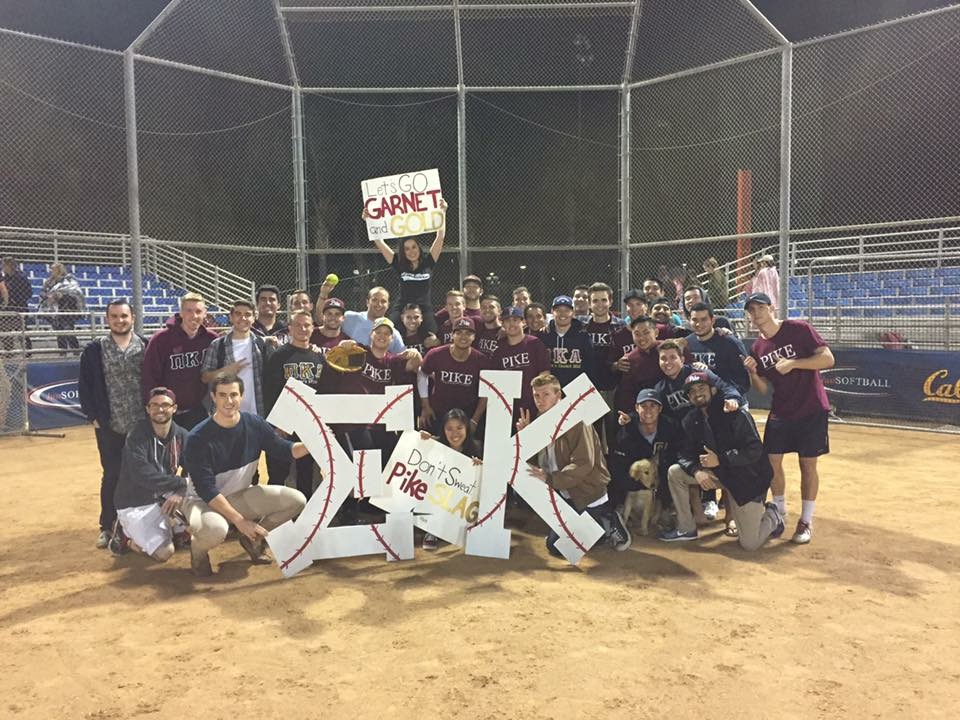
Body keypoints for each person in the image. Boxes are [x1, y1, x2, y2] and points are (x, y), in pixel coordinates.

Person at [181, 373, 309, 577]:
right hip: (202, 501)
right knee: (215, 530)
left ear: (242, 396)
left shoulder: (254, 424)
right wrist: (240, 521)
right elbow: (207, 490)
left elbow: (285, 449)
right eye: (222, 395)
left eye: (233, 395)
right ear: (213, 397)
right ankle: (198, 551)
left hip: (239, 496)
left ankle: (253, 540)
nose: (229, 401)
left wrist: (314, 442)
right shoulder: (198, 437)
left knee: (296, 500)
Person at [743, 292, 834, 544]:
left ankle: (806, 520)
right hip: (781, 410)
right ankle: (780, 512)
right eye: (751, 310)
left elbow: (828, 359)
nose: (756, 313)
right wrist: (753, 373)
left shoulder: (798, 329)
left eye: (760, 307)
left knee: (807, 466)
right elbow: (762, 389)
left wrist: (794, 363)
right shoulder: (757, 347)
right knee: (771, 462)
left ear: (772, 308)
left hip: (811, 408)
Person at [658, 372, 785, 548]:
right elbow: (683, 455)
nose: (697, 393)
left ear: (713, 390)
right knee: (675, 473)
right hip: (719, 474)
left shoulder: (734, 414)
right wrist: (697, 471)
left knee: (750, 544)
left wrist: (721, 459)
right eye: (692, 391)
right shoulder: (691, 419)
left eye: (701, 388)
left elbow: (755, 450)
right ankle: (686, 528)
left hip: (746, 479)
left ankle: (773, 514)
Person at [521, 373, 631, 556]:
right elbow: (538, 464)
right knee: (555, 545)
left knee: (560, 547)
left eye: (546, 394)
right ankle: (596, 529)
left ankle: (608, 520)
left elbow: (583, 463)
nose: (540, 400)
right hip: (566, 493)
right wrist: (527, 439)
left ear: (559, 396)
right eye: (536, 395)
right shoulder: (542, 422)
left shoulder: (576, 422)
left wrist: (550, 478)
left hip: (588, 494)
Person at [79, 299, 147, 549]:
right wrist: (94, 417)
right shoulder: (94, 350)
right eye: (115, 317)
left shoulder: (145, 346)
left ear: (133, 318)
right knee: (112, 475)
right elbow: (84, 386)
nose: (120, 321)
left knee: (142, 474)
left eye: (124, 316)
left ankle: (138, 526)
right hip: (110, 426)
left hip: (140, 424)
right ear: (107, 320)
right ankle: (107, 526)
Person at [109, 387, 190, 561]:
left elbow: (197, 467)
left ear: (174, 408)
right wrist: (181, 484)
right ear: (148, 409)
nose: (160, 409)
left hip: (165, 495)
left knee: (200, 516)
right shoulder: (136, 436)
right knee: (164, 553)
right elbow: (143, 475)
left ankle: (174, 527)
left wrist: (180, 491)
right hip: (136, 503)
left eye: (165, 405)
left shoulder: (182, 435)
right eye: (154, 405)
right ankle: (126, 535)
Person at [262, 309, 325, 496]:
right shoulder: (279, 355)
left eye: (307, 325)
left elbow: (322, 392)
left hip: (308, 422)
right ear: (289, 329)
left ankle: (304, 513)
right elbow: (270, 392)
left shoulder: (319, 357)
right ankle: (275, 514)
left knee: (306, 470)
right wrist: (277, 423)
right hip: (284, 424)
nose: (303, 329)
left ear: (313, 328)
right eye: (298, 325)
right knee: (278, 471)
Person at [367, 199, 447, 334]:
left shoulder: (429, 262)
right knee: (389, 332)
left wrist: (442, 212)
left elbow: (440, 237)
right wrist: (370, 219)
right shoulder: (399, 264)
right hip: (402, 307)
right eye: (407, 249)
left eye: (414, 247)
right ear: (403, 252)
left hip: (424, 309)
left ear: (419, 248)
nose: (411, 251)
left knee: (432, 336)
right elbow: (379, 242)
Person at [141, 292, 218, 430]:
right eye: (189, 311)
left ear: (205, 314)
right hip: (167, 411)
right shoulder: (161, 340)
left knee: (197, 450)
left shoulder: (211, 339)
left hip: (197, 410)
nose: (194, 316)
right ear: (181, 313)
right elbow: (149, 377)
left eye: (198, 311)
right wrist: (153, 407)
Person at [419, 408, 484, 550]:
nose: (455, 434)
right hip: (439, 498)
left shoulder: (477, 448)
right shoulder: (436, 444)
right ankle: (432, 530)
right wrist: (421, 439)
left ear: (467, 428)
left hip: (462, 504)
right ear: (443, 430)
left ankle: (464, 527)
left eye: (459, 428)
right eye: (449, 429)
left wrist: (480, 467)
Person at [609, 388, 679, 515]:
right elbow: (617, 468)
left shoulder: (670, 427)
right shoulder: (626, 433)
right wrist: (641, 486)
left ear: (660, 408)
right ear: (637, 408)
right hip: (635, 486)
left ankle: (668, 507)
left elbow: (675, 456)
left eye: (653, 405)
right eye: (643, 406)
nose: (648, 410)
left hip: (661, 482)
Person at [418, 318, 490, 435]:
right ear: (452, 335)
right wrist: (425, 406)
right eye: (459, 333)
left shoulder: (481, 360)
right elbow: (422, 375)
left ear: (474, 337)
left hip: (466, 414)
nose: (463, 337)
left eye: (468, 333)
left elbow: (486, 392)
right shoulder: (436, 354)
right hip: (438, 412)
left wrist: (475, 420)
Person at [200, 299, 267, 417]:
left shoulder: (261, 344)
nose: (243, 318)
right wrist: (224, 372)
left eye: (247, 315)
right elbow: (205, 377)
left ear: (253, 318)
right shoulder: (218, 345)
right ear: (231, 317)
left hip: (256, 413)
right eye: (238, 314)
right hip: (226, 414)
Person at [491, 305, 550, 421]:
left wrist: (542, 403)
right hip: (508, 407)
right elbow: (495, 379)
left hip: (533, 404)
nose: (511, 324)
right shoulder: (499, 349)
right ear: (502, 324)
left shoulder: (535, 343)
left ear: (523, 322)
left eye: (515, 320)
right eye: (507, 320)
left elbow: (545, 374)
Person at [685, 303, 749, 396]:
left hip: (728, 399)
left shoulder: (730, 342)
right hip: (699, 401)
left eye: (704, 319)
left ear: (713, 320)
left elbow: (743, 380)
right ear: (689, 321)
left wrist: (732, 397)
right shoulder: (686, 344)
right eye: (694, 320)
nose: (698, 324)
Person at [541, 295, 595, 388]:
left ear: (573, 312)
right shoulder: (544, 335)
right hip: (550, 390)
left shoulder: (583, 336)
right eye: (558, 310)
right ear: (552, 312)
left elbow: (590, 365)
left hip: (576, 389)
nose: (563, 314)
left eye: (567, 310)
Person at [338, 286, 405, 353]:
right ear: (367, 302)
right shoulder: (350, 318)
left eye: (383, 301)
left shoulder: (393, 333)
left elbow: (402, 357)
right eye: (374, 300)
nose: (379, 304)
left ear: (388, 305)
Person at [40, 261, 85, 350]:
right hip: (54, 309)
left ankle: (75, 350)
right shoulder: (49, 282)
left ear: (58, 270)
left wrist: (61, 295)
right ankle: (62, 351)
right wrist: (47, 296)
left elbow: (76, 292)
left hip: (67, 307)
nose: (50, 271)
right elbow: (42, 292)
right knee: (59, 332)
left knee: (68, 330)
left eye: (52, 269)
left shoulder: (69, 280)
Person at [0, 257, 32, 351]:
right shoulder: (5, 278)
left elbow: (28, 293)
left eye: (3, 265)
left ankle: (27, 351)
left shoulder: (21, 277)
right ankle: (9, 351)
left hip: (19, 307)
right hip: (7, 309)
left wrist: (15, 300)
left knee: (21, 331)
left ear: (8, 265)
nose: (2, 267)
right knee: (5, 330)